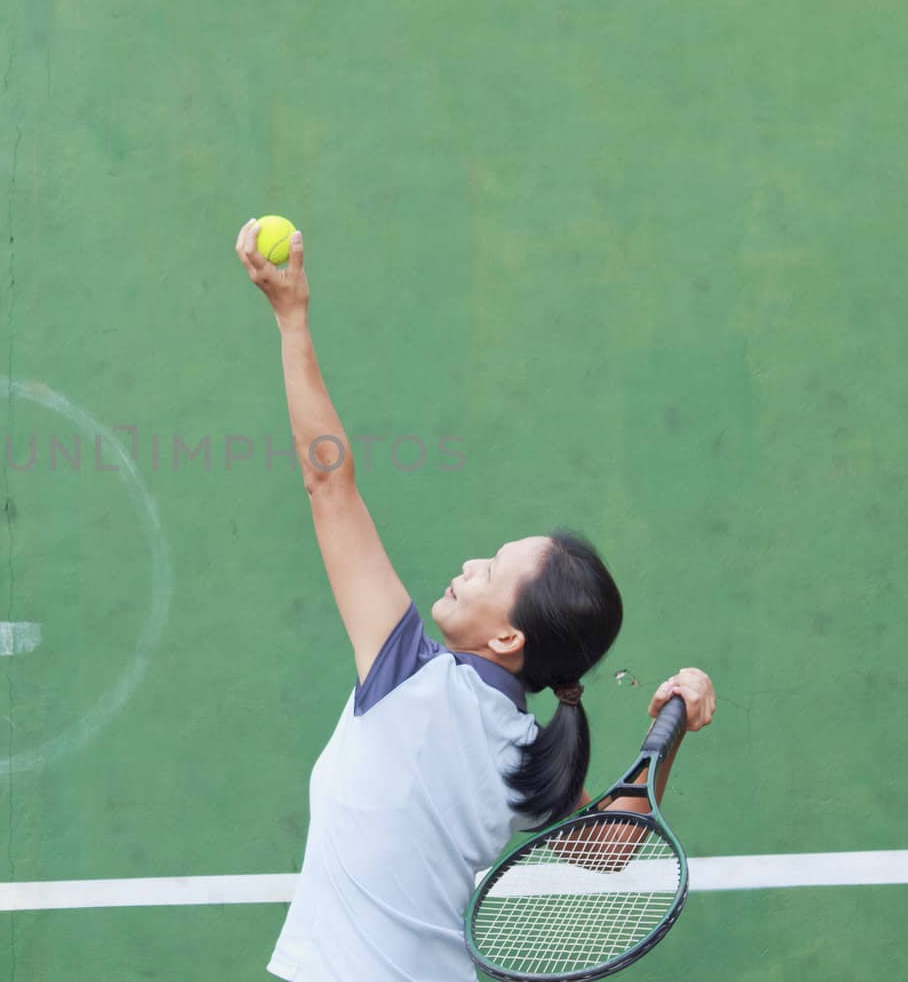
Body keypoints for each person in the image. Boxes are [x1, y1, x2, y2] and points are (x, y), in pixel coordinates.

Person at [233, 218, 718, 982]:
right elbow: (614, 845)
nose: (468, 565)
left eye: (491, 570)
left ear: (505, 640)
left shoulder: (406, 673)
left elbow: (328, 481)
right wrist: (673, 728)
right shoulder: (528, 756)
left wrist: (291, 317)